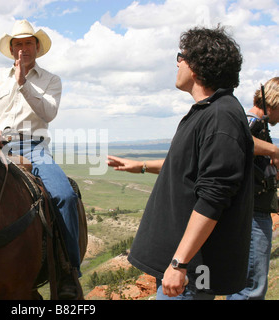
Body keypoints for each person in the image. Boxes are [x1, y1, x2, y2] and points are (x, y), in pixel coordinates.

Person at [107, 26, 253, 300]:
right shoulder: (211, 111)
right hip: (186, 268)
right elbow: (190, 166)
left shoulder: (221, 117)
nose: (177, 62)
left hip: (191, 273)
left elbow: (214, 196)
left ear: (197, 66)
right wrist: (139, 165)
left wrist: (179, 263)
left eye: (181, 56)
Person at [0, 20, 80, 299]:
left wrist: (24, 83)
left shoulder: (51, 80)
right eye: (18, 44)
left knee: (64, 196)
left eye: (28, 43)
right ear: (11, 49)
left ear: (36, 47)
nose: (23, 48)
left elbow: (48, 113)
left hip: (34, 148)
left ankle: (66, 272)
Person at [226, 77, 279, 300]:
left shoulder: (260, 125)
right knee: (250, 289)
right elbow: (240, 140)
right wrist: (274, 151)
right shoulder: (251, 123)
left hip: (256, 212)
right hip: (252, 215)